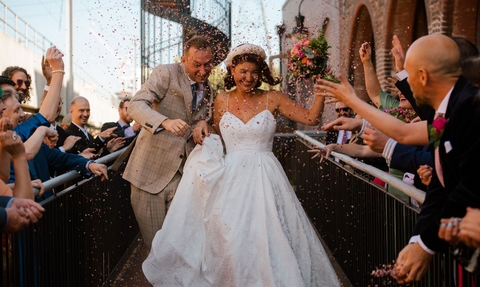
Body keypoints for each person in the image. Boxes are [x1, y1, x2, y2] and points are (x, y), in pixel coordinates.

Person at [142, 44, 340, 286]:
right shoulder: (222, 100)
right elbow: (216, 129)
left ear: (262, 73)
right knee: (230, 234)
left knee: (268, 233)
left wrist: (319, 91)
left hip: (265, 175)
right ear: (232, 70)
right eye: (243, 71)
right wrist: (204, 125)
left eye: (255, 72)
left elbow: (311, 118)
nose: (249, 78)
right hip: (231, 177)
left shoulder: (272, 98)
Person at [315, 34, 480, 284]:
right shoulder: (449, 110)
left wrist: (353, 102)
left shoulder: (468, 108)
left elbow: (467, 186)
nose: (405, 83)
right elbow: (438, 183)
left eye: (408, 76)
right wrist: (419, 242)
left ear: (423, 77)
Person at [122, 36, 216, 248]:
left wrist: (205, 125)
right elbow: (135, 105)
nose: (203, 70)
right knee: (157, 249)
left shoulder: (209, 90)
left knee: (180, 247)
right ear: (184, 60)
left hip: (184, 179)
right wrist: (164, 122)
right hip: (149, 176)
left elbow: (206, 123)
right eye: (196, 64)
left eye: (207, 64)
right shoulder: (166, 72)